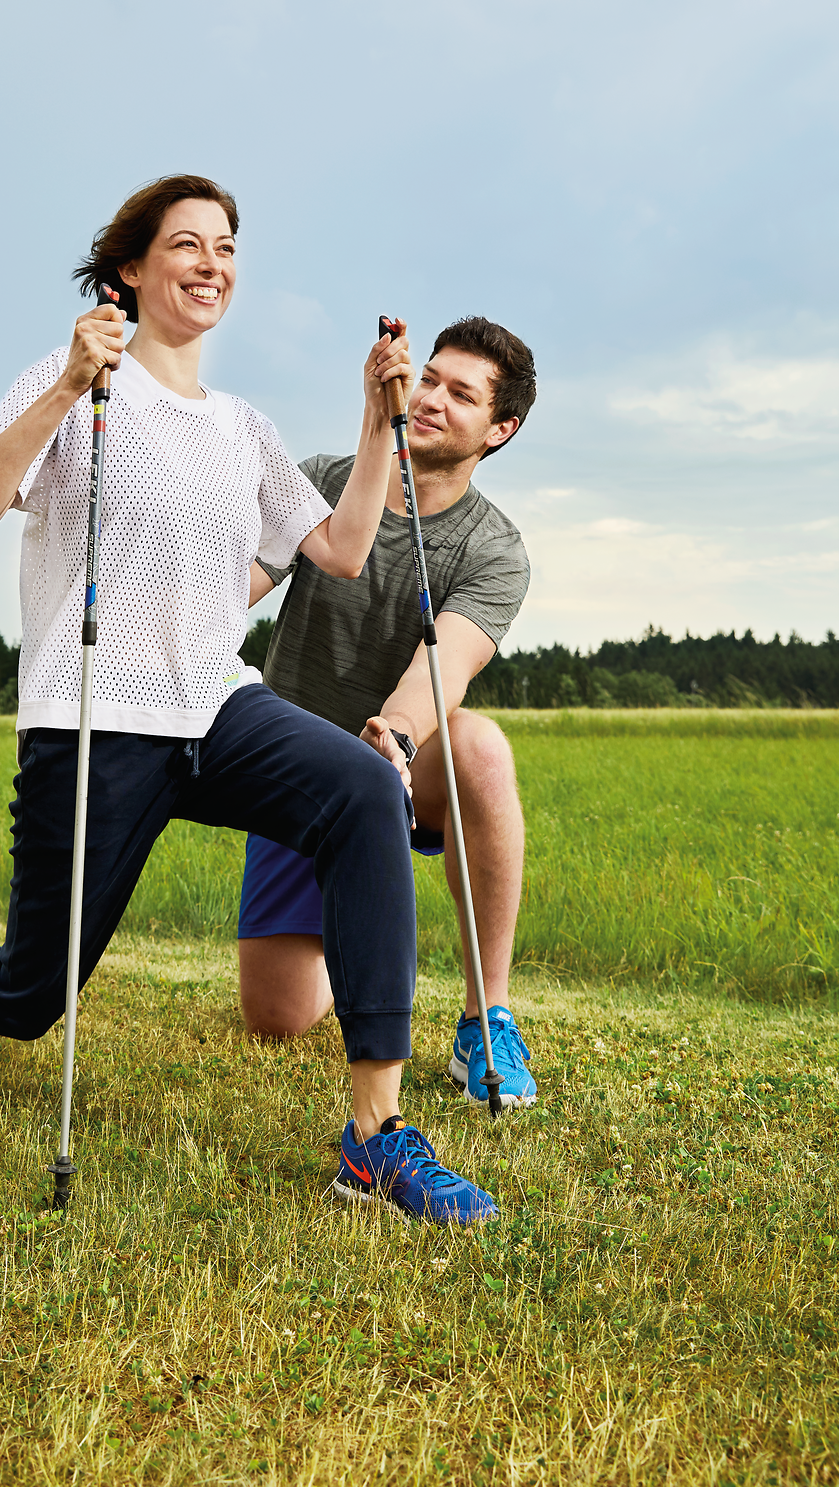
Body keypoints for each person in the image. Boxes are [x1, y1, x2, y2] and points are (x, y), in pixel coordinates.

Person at [0, 175, 497, 1225]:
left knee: (362, 792)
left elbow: (333, 548)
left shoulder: (239, 426)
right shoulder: (72, 384)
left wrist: (376, 424)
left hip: (216, 704)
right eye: (185, 244)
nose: (210, 263)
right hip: (95, 714)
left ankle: (373, 1139)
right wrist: (63, 388)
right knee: (28, 994)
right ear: (130, 271)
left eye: (226, 246)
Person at [239, 315, 538, 1108]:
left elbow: (444, 669)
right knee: (277, 1017)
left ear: (499, 430)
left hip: (399, 767)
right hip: (294, 768)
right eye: (430, 378)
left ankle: (485, 1017)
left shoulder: (494, 550)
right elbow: (234, 589)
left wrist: (396, 735)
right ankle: (359, 940)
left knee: (478, 746)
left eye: (461, 394)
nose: (434, 398)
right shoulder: (320, 480)